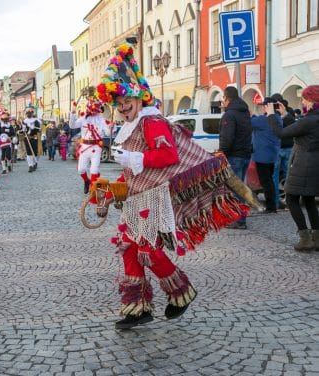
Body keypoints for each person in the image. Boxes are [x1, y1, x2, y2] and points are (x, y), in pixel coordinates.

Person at [96, 43, 250, 329]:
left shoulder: (152, 121)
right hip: (138, 198)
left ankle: (181, 292)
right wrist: (109, 190)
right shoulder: (129, 126)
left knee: (147, 251)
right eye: (117, 103)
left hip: (156, 198)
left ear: (139, 98)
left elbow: (168, 156)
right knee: (129, 249)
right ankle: (137, 307)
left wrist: (135, 157)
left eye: (125, 101)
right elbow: (133, 171)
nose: (121, 107)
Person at [266, 85, 319, 251]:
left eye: (303, 98)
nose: (301, 101)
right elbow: (297, 127)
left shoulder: (310, 120)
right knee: (309, 201)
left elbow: (281, 133)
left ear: (311, 100)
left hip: (303, 165)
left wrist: (271, 116)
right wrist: (286, 115)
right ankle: (316, 239)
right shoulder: (312, 119)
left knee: (291, 198)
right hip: (313, 165)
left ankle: (305, 239)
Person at [219, 86, 252, 229]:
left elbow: (228, 137)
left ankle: (238, 220)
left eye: (223, 99)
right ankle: (240, 218)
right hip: (245, 154)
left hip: (234, 156)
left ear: (226, 98)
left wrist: (222, 153)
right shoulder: (245, 113)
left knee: (234, 190)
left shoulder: (229, 115)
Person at [69, 98, 111, 193]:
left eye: (94, 111)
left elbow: (108, 133)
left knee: (94, 170)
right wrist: (72, 113)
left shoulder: (101, 120)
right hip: (84, 147)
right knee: (81, 169)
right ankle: (86, 181)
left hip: (96, 147)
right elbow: (72, 125)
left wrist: (110, 128)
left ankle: (93, 191)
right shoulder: (83, 118)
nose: (92, 112)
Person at [251, 97, 282, 213]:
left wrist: (253, 115)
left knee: (266, 182)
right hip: (272, 155)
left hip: (262, 156)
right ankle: (273, 204)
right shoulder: (277, 118)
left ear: (266, 107)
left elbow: (251, 122)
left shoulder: (264, 120)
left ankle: (271, 207)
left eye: (264, 106)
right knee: (270, 180)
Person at [270, 94, 295, 209]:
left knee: (279, 176)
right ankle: (285, 202)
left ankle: (280, 202)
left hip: (280, 148)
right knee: (287, 176)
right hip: (286, 147)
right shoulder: (289, 113)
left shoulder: (282, 113)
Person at [21, 106, 40, 172]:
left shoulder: (36, 121)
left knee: (35, 151)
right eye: (28, 113)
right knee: (29, 152)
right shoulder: (24, 121)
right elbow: (23, 130)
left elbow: (38, 129)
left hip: (34, 138)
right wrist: (23, 130)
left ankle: (35, 163)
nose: (29, 114)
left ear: (32, 113)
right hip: (27, 138)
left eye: (30, 113)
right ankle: (30, 165)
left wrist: (32, 129)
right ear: (26, 114)